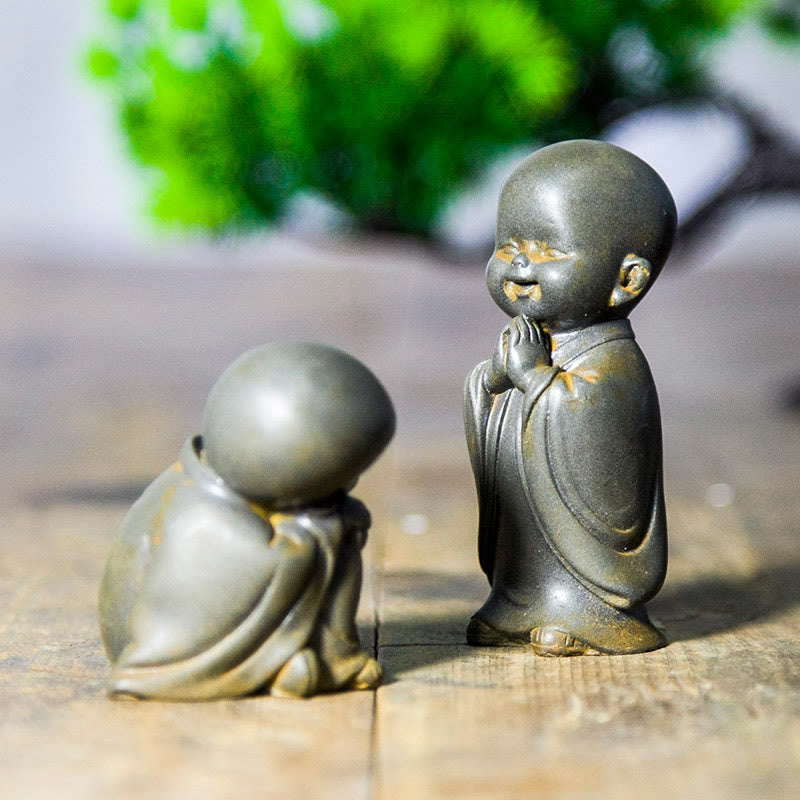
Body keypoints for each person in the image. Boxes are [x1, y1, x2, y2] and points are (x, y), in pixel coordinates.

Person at [464, 140, 676, 656]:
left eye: (551, 251)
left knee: (573, 566)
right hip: (526, 548)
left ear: (627, 280)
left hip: (590, 566)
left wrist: (536, 379)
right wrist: (493, 382)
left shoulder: (616, 363)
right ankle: (520, 598)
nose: (520, 264)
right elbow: (488, 404)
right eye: (507, 246)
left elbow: (591, 424)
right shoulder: (528, 343)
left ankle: (584, 611)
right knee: (520, 535)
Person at [99, 342, 395, 699]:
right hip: (174, 650)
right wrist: (312, 533)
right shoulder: (202, 516)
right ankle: (268, 664)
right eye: (338, 477)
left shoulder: (232, 481)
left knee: (339, 535)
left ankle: (328, 655)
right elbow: (263, 563)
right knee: (329, 535)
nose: (350, 485)